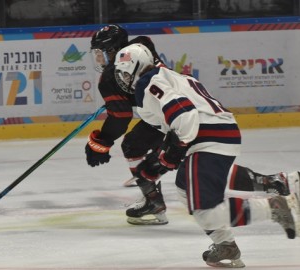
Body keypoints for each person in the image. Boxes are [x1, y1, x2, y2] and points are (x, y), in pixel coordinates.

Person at [85, 24, 298, 226]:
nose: (99, 59)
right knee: (149, 150)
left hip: (176, 116)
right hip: (180, 111)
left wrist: (101, 142)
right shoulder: (143, 47)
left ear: (115, 50)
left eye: (102, 52)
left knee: (194, 167)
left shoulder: (111, 77)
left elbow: (120, 117)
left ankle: (272, 186)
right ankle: (276, 183)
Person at [113, 43, 300, 267]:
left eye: (124, 72)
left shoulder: (148, 82)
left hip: (207, 138)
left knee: (204, 209)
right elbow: (176, 124)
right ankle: (226, 243)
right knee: (185, 189)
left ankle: (275, 207)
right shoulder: (167, 76)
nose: (122, 78)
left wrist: (170, 155)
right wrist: (164, 159)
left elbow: (184, 115)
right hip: (216, 133)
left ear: (136, 67)